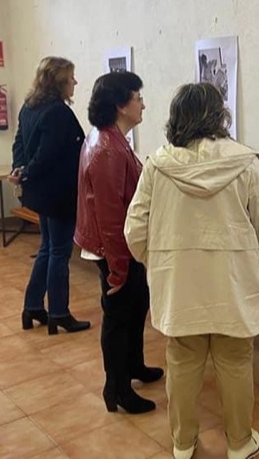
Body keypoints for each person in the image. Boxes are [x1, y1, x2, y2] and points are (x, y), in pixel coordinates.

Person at [124, 83, 259, 459]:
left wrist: (161, 260)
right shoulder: (246, 163)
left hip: (179, 285)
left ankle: (183, 445)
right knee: (235, 363)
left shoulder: (157, 165)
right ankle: (240, 442)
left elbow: (134, 231)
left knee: (182, 363)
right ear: (219, 115)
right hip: (236, 285)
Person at [74, 71, 162, 415]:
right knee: (118, 315)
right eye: (138, 97)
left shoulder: (112, 138)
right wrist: (118, 270)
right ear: (120, 104)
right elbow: (111, 218)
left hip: (123, 245)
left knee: (137, 304)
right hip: (114, 248)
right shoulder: (107, 149)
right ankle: (117, 388)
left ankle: (134, 366)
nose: (143, 104)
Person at [10, 56, 91, 336]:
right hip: (57, 192)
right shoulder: (58, 112)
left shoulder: (30, 107)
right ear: (59, 82)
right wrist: (27, 171)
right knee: (58, 252)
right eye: (71, 78)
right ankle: (59, 312)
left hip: (39, 192)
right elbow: (48, 154)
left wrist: (19, 170)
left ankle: (32, 306)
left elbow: (19, 144)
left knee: (47, 248)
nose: (75, 82)